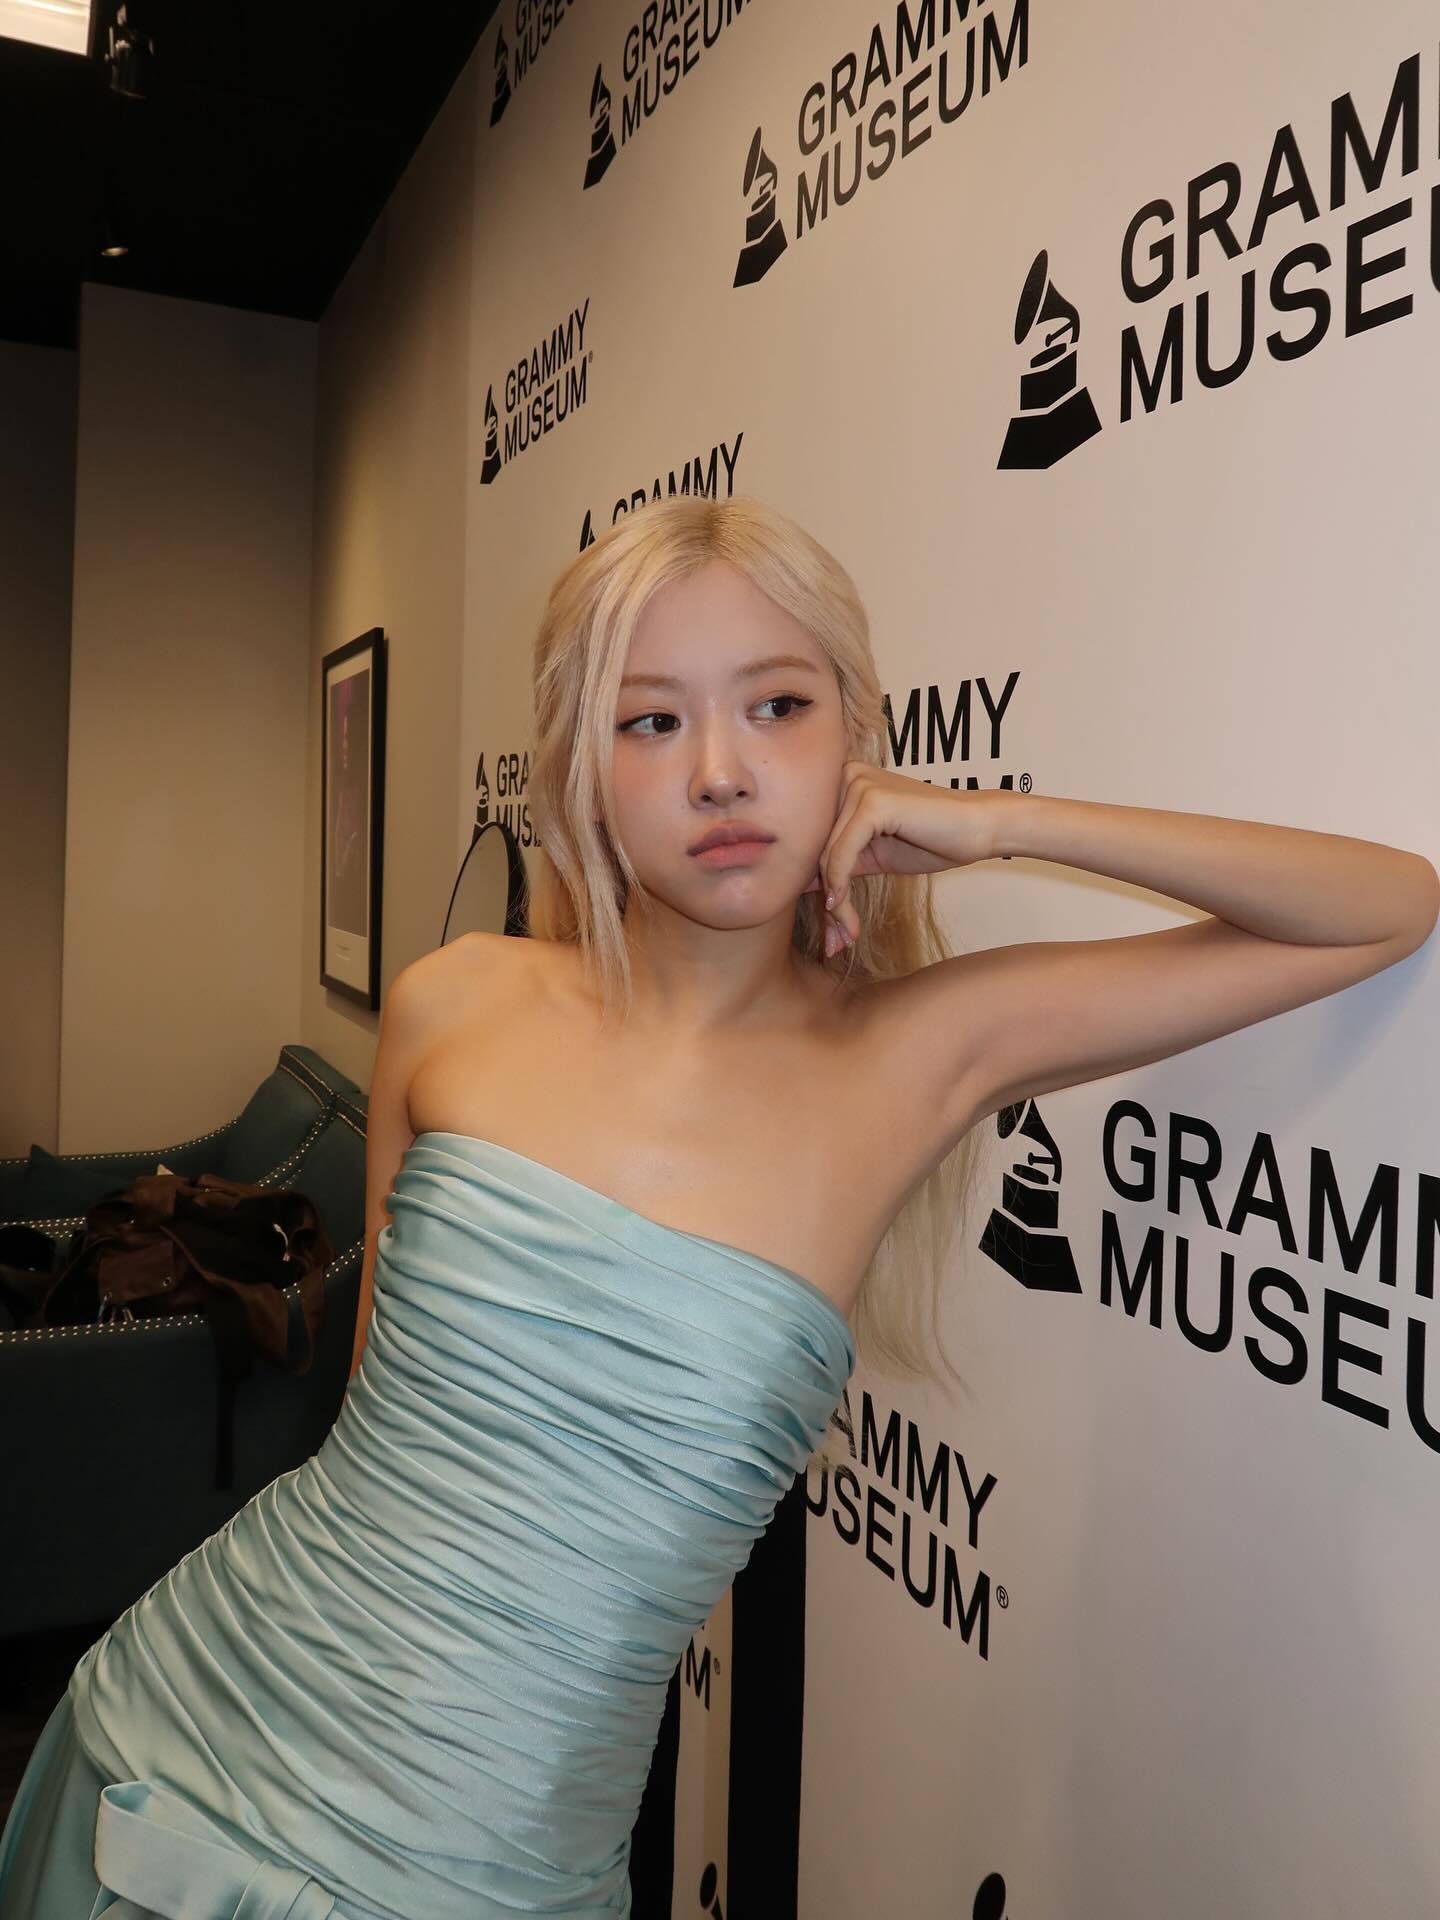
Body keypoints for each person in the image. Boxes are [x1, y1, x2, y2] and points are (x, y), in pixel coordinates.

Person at [1, 495, 1434, 1918]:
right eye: (650, 721)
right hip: (188, 1729)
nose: (722, 774)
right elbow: (377, 1418)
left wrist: (999, 821)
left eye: (779, 706)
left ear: (853, 733)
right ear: (584, 767)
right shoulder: (456, 1002)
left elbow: (1382, 907)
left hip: (495, 1861)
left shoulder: (914, 1056)